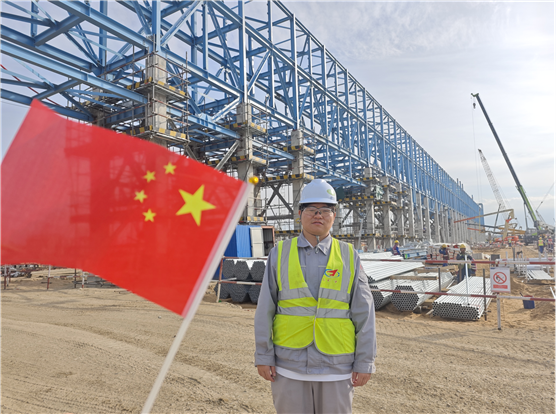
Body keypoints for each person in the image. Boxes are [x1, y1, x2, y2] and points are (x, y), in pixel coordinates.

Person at [254, 179, 376, 414]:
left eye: (325, 209)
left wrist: (365, 361)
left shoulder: (349, 256)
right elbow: (265, 309)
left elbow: (364, 312)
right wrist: (263, 355)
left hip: (336, 366)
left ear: (334, 215)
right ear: (300, 213)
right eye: (311, 208)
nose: (318, 215)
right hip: (289, 365)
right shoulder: (279, 254)